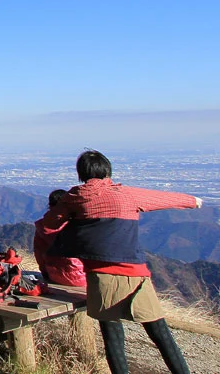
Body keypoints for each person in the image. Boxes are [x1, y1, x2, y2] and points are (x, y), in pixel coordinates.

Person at [46, 150, 201, 374]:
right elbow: (163, 199)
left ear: (81, 173)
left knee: (113, 339)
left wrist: (72, 216)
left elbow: (51, 223)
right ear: (107, 170)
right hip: (135, 275)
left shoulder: (74, 198)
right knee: (161, 335)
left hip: (100, 277)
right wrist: (192, 201)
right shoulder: (126, 194)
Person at [32, 189, 86, 287]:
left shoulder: (42, 226)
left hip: (55, 275)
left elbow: (39, 252)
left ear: (50, 205)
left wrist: (45, 273)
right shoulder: (77, 224)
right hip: (82, 277)